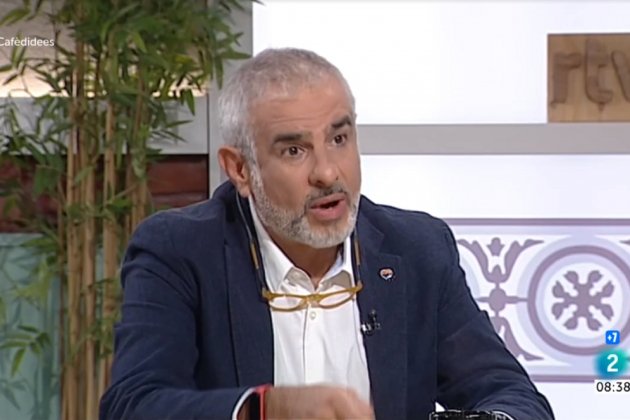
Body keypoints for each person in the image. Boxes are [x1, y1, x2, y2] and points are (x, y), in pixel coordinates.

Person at [99, 48, 554, 420]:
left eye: (339, 139)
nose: (328, 172)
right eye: (294, 150)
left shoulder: (416, 250)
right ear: (240, 169)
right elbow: (134, 405)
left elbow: (512, 395)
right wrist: (266, 409)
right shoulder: (180, 252)